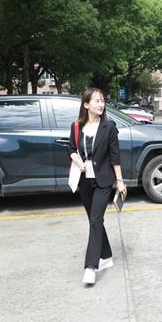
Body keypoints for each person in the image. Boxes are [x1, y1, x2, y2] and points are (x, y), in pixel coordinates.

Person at [69, 88, 127, 285]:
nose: (101, 104)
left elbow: (115, 156)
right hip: (84, 180)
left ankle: (91, 266)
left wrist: (119, 181)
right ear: (86, 104)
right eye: (97, 101)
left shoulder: (109, 127)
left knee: (95, 220)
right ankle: (107, 256)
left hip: (103, 180)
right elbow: (71, 149)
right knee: (95, 221)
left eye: (102, 101)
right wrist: (79, 163)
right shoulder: (76, 127)